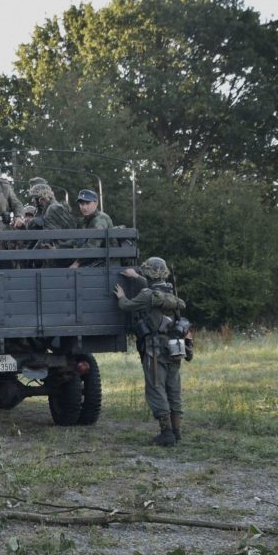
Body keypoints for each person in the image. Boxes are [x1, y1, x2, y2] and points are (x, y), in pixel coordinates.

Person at [114, 257, 188, 447]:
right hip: (174, 347)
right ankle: (176, 432)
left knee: (156, 388)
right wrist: (136, 277)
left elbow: (126, 306)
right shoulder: (170, 292)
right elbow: (151, 288)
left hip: (154, 349)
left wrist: (121, 295)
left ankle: (166, 434)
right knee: (173, 387)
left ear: (148, 273)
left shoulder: (147, 295)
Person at [73, 189, 114, 267]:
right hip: (91, 261)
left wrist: (77, 263)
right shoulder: (84, 221)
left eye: (88, 203)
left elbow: (92, 246)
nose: (84, 207)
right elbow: (75, 241)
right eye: (81, 204)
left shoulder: (101, 219)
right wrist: (57, 248)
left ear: (96, 203)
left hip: (104, 262)